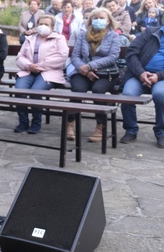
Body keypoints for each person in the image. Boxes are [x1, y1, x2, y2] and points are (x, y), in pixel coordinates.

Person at [66, 8, 121, 142]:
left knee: (98, 90)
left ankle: (100, 127)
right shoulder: (83, 35)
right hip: (83, 72)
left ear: (108, 21)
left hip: (105, 73)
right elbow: (75, 56)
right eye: (95, 18)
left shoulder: (113, 36)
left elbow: (113, 57)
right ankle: (70, 123)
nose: (98, 21)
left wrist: (91, 66)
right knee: (78, 89)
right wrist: (84, 69)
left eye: (101, 18)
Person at [14, 15, 69, 134]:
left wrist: (40, 66)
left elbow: (62, 56)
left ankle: (36, 123)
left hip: (49, 72)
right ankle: (23, 122)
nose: (43, 26)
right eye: (41, 24)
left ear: (52, 27)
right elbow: (20, 56)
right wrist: (29, 66)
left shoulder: (59, 39)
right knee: (19, 90)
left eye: (46, 24)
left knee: (35, 92)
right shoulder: (30, 39)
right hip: (28, 70)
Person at [119, 25, 164, 148]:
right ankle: (131, 129)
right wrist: (141, 73)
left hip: (161, 78)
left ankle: (161, 132)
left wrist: (158, 76)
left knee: (161, 95)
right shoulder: (151, 32)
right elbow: (131, 53)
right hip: (139, 75)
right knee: (128, 94)